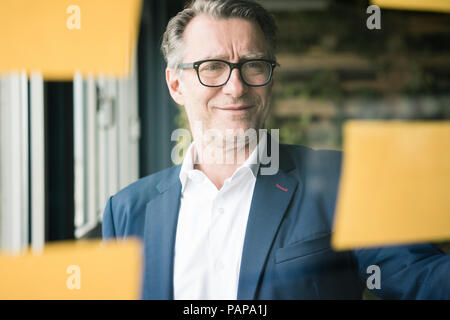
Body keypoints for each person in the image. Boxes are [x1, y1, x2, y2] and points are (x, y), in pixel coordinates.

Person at [102, 0, 449, 300]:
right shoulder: (126, 213)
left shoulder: (340, 181)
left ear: (271, 77)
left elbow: (419, 276)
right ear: (176, 84)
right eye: (212, 67)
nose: (235, 87)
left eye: (252, 64)